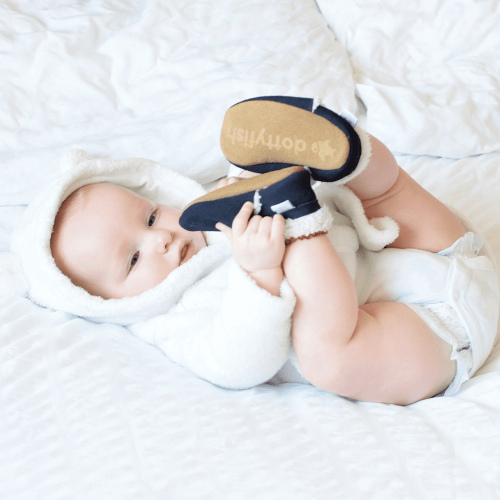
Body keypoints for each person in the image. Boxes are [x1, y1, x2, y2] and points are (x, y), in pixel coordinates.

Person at [14, 97, 500, 405]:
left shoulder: (218, 212)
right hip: (427, 337)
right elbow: (235, 364)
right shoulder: (170, 320)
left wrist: (250, 191)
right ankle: (300, 216)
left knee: (383, 196)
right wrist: (259, 276)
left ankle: (355, 153)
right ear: (106, 302)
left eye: (148, 216)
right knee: (326, 356)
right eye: (134, 259)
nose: (160, 237)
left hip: (448, 258)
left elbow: (351, 223)